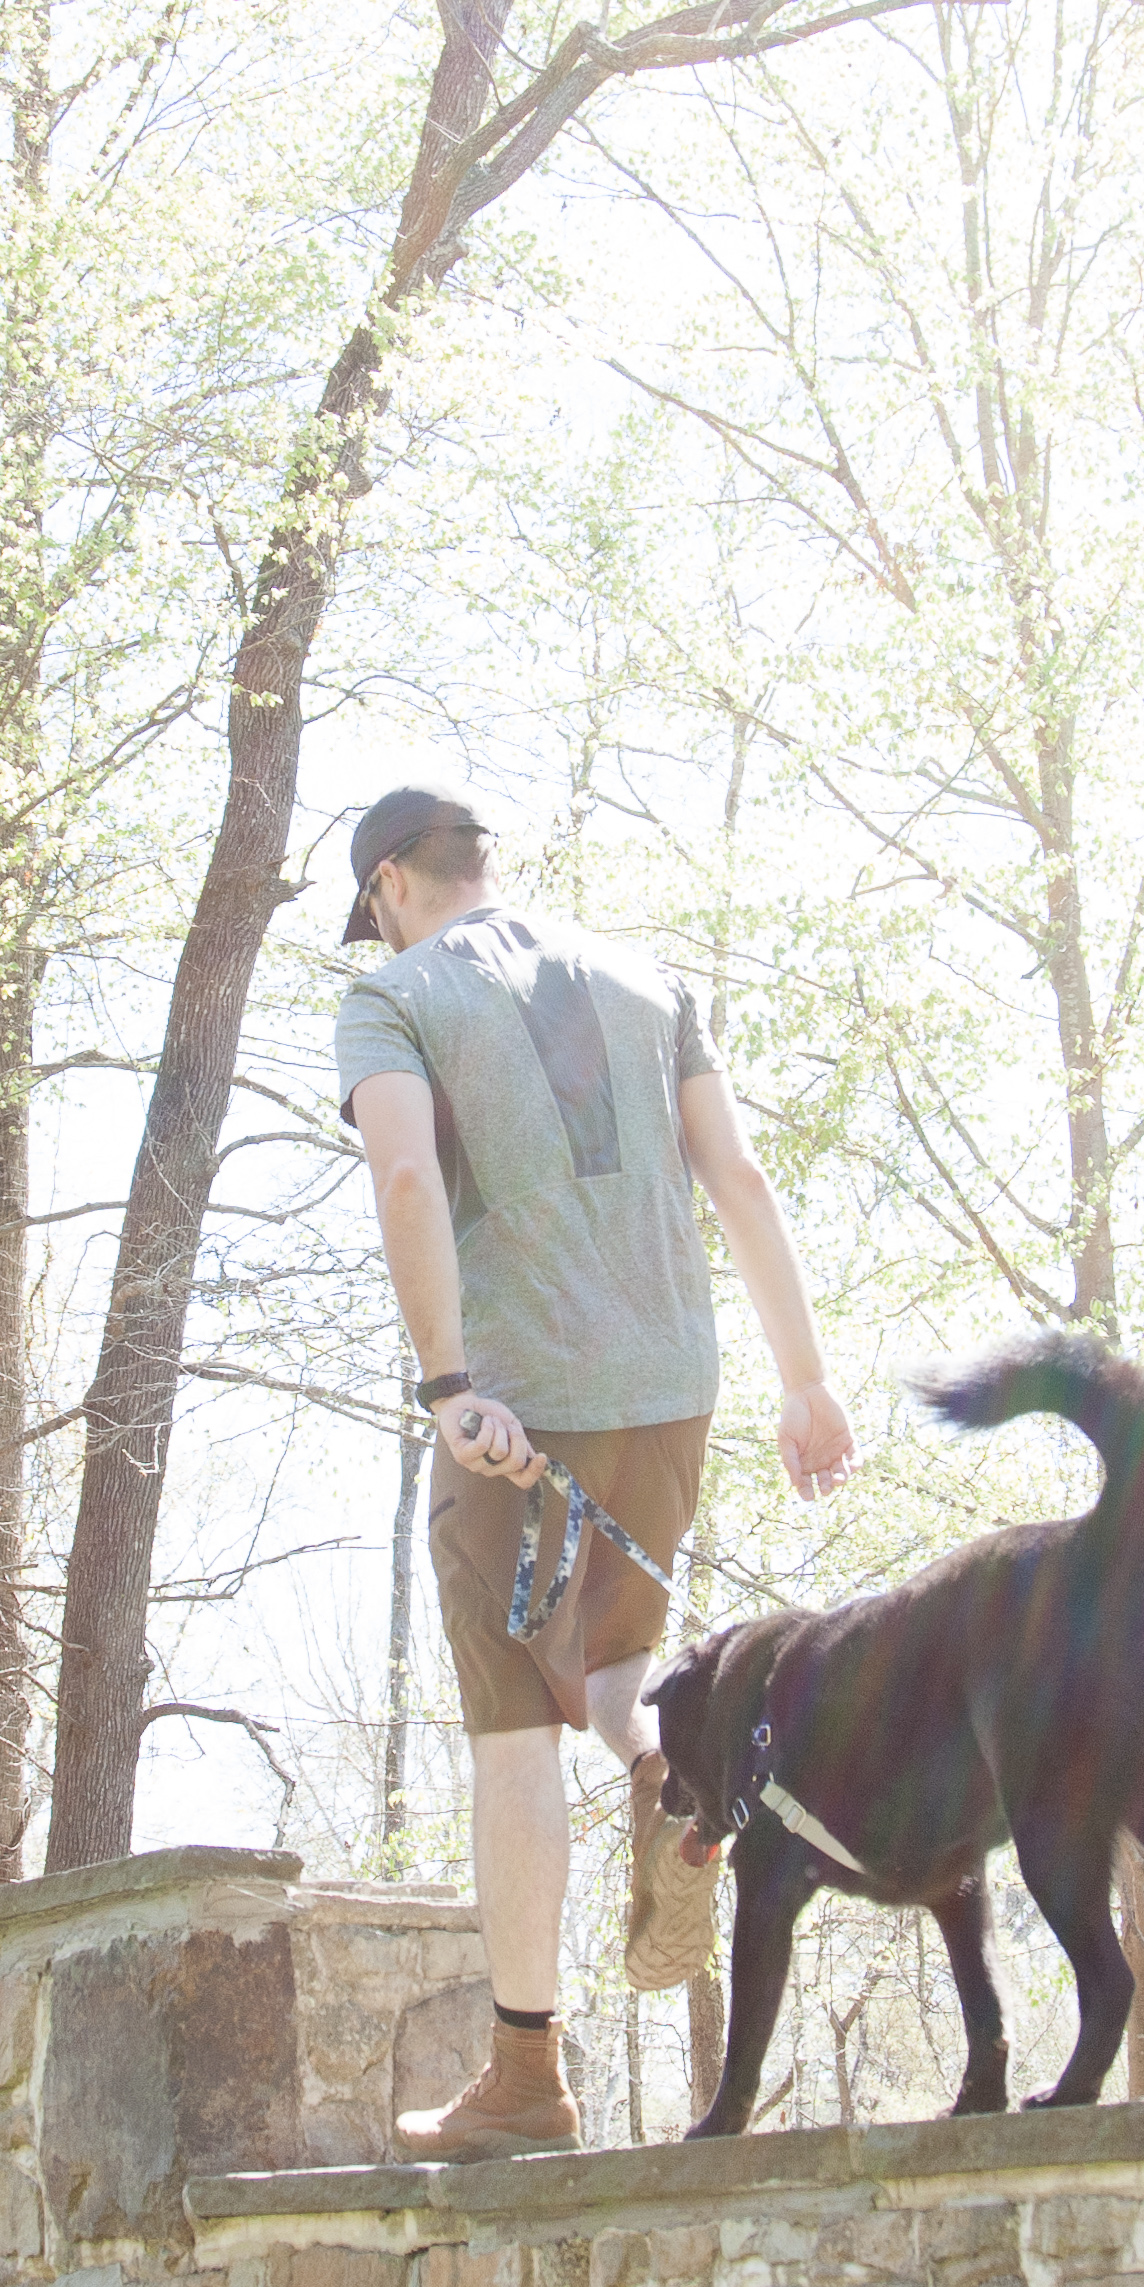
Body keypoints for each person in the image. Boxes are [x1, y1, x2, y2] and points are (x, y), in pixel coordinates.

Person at [334, 782, 855, 2159]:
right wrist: (806, 1377)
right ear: (480, 863)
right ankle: (667, 1772)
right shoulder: (647, 976)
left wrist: (452, 1381)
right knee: (621, 1675)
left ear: (390, 886)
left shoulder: (394, 999)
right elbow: (736, 1176)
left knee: (511, 1721)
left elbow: (404, 1183)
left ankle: (525, 2074)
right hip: (673, 1390)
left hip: (520, 1405)